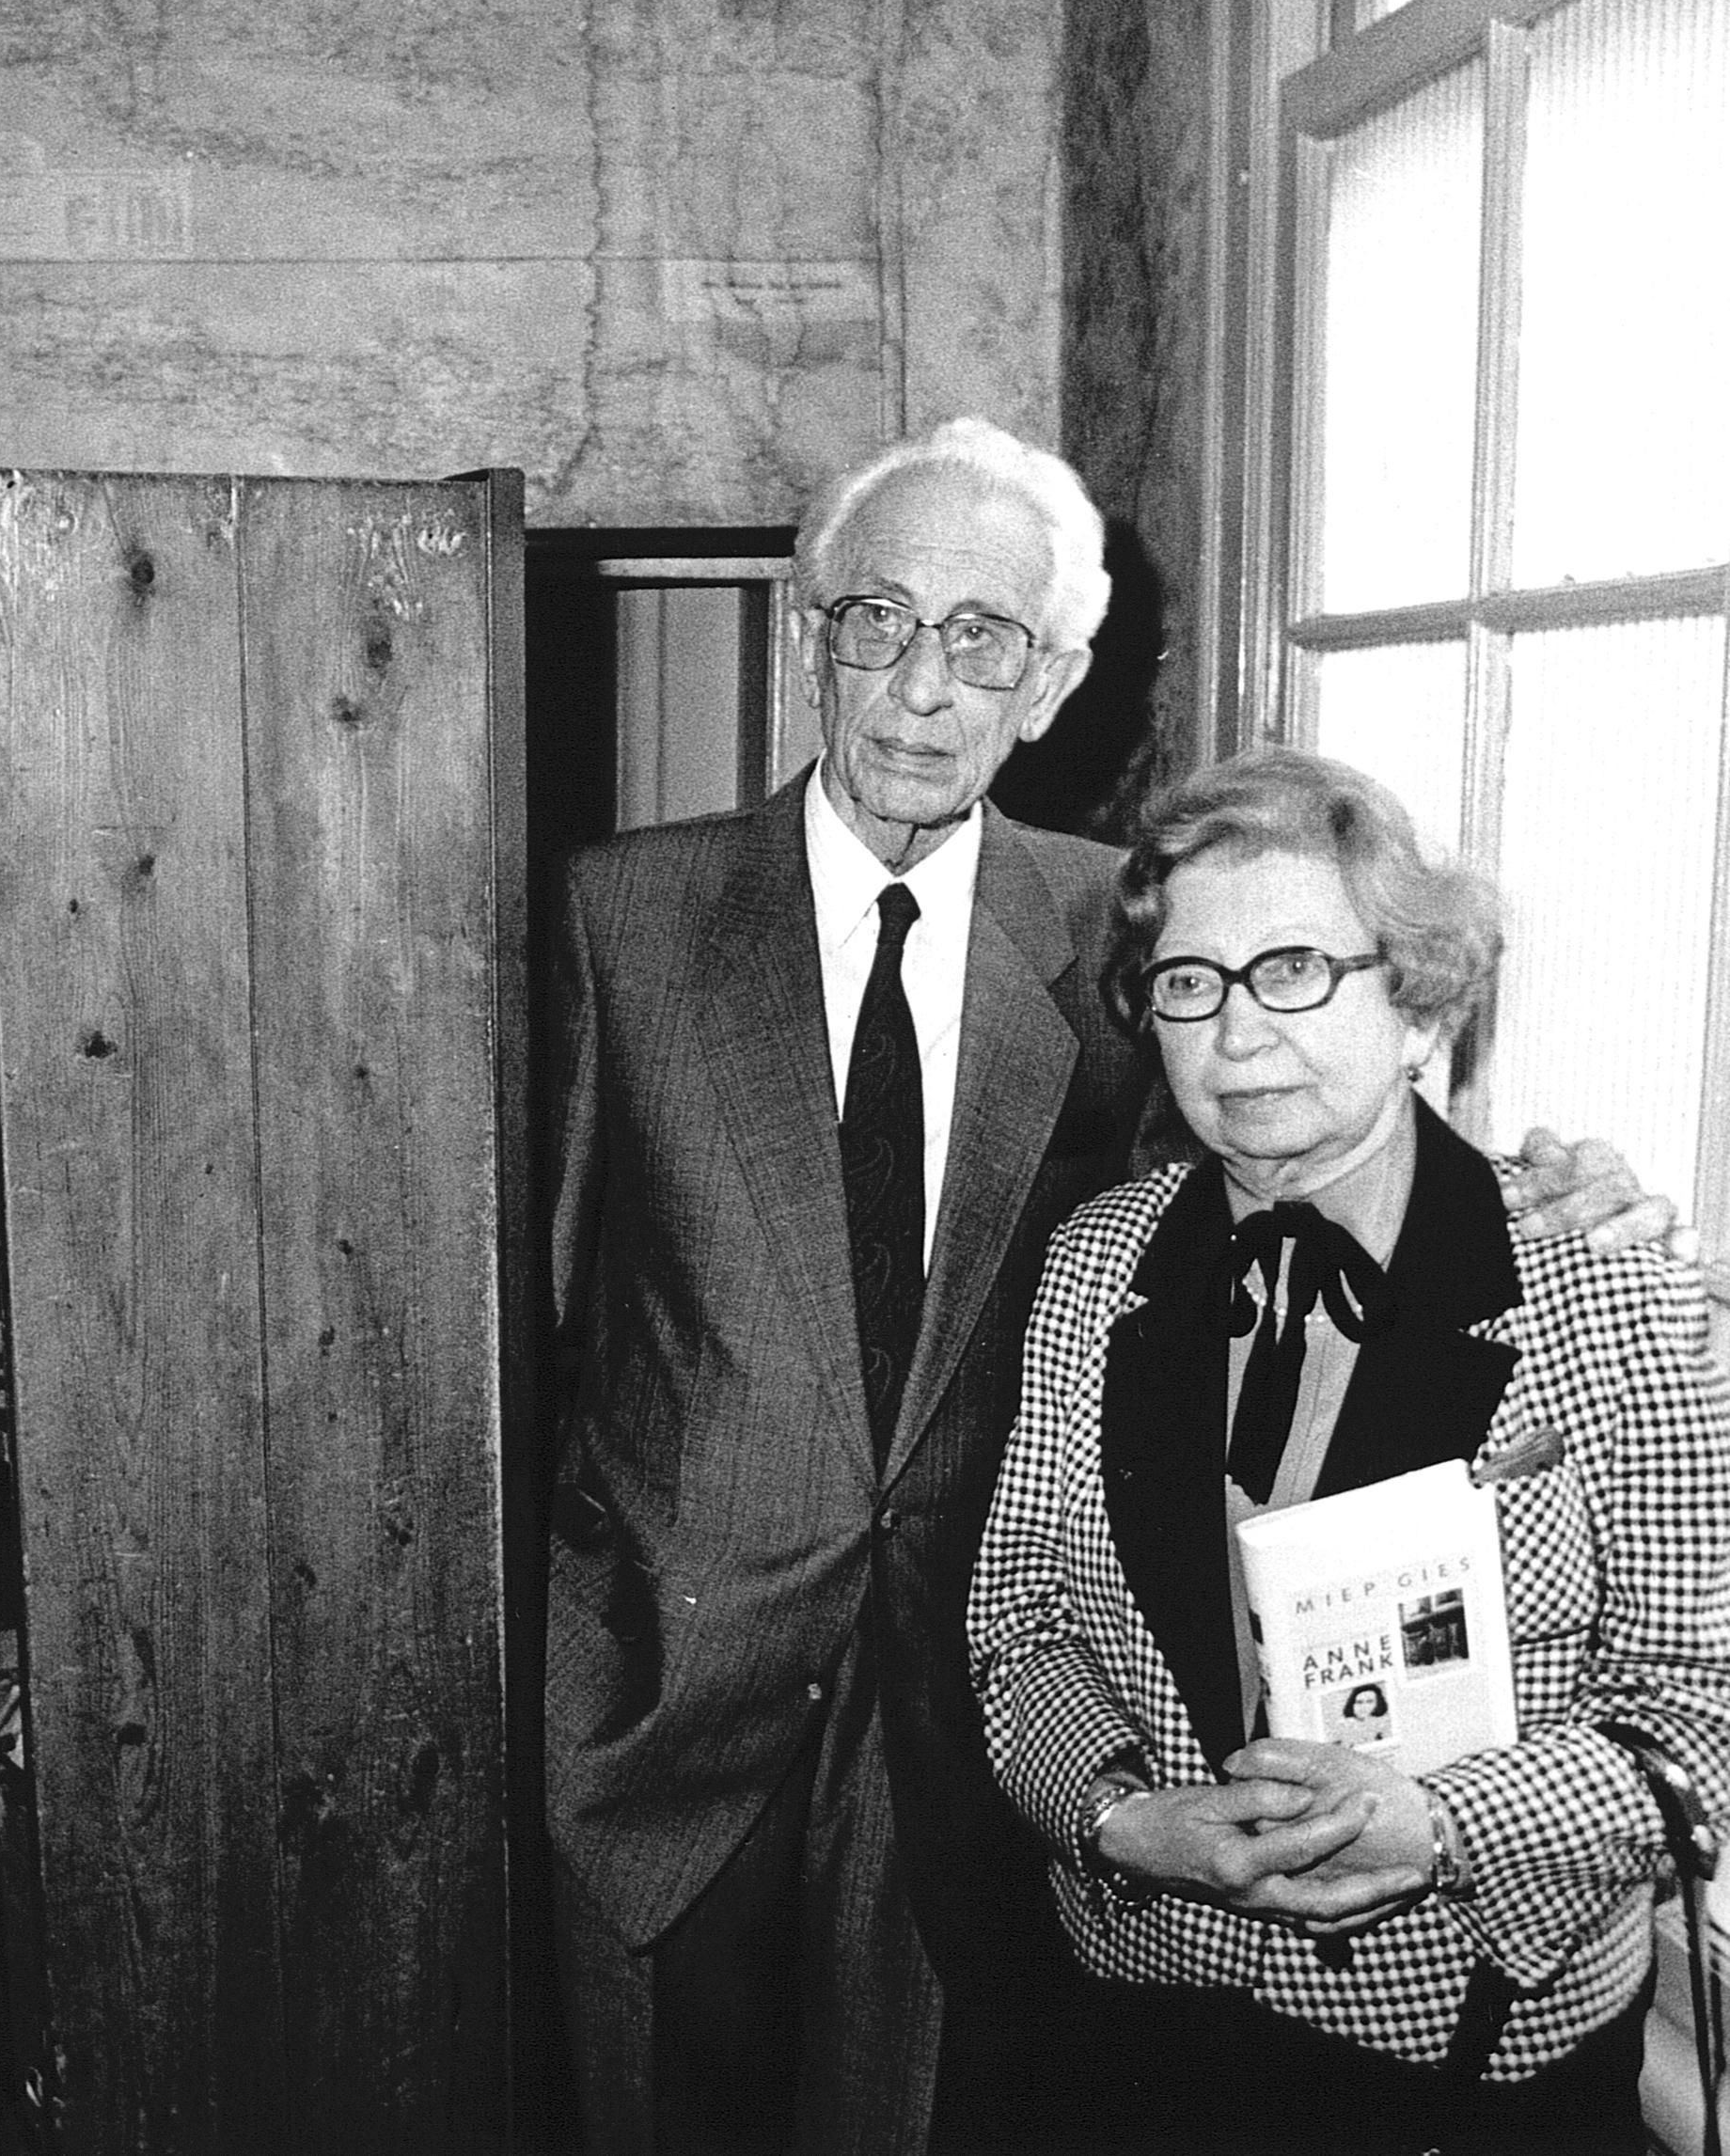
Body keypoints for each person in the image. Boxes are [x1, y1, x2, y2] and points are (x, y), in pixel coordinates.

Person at [542, 417, 1666, 2156]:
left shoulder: (1116, 932)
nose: (920, 685)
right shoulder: (614, 917)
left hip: (979, 1752)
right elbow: (520, 1331)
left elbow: (1305, 1120)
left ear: (1052, 678)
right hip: (675, 1708)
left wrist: (1560, 1184)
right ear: (807, 629)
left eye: (981, 637)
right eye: (875, 619)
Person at [967, 746, 1730, 2155]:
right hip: (1135, 2035)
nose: (1237, 1032)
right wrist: (1132, 1817)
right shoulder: (1094, 1268)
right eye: (1189, 982)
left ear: (1421, 1004)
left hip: (1470, 2066)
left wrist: (1436, 1823)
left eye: (1296, 969)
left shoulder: (1611, 1288)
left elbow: (1695, 1717)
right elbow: (1017, 1620)